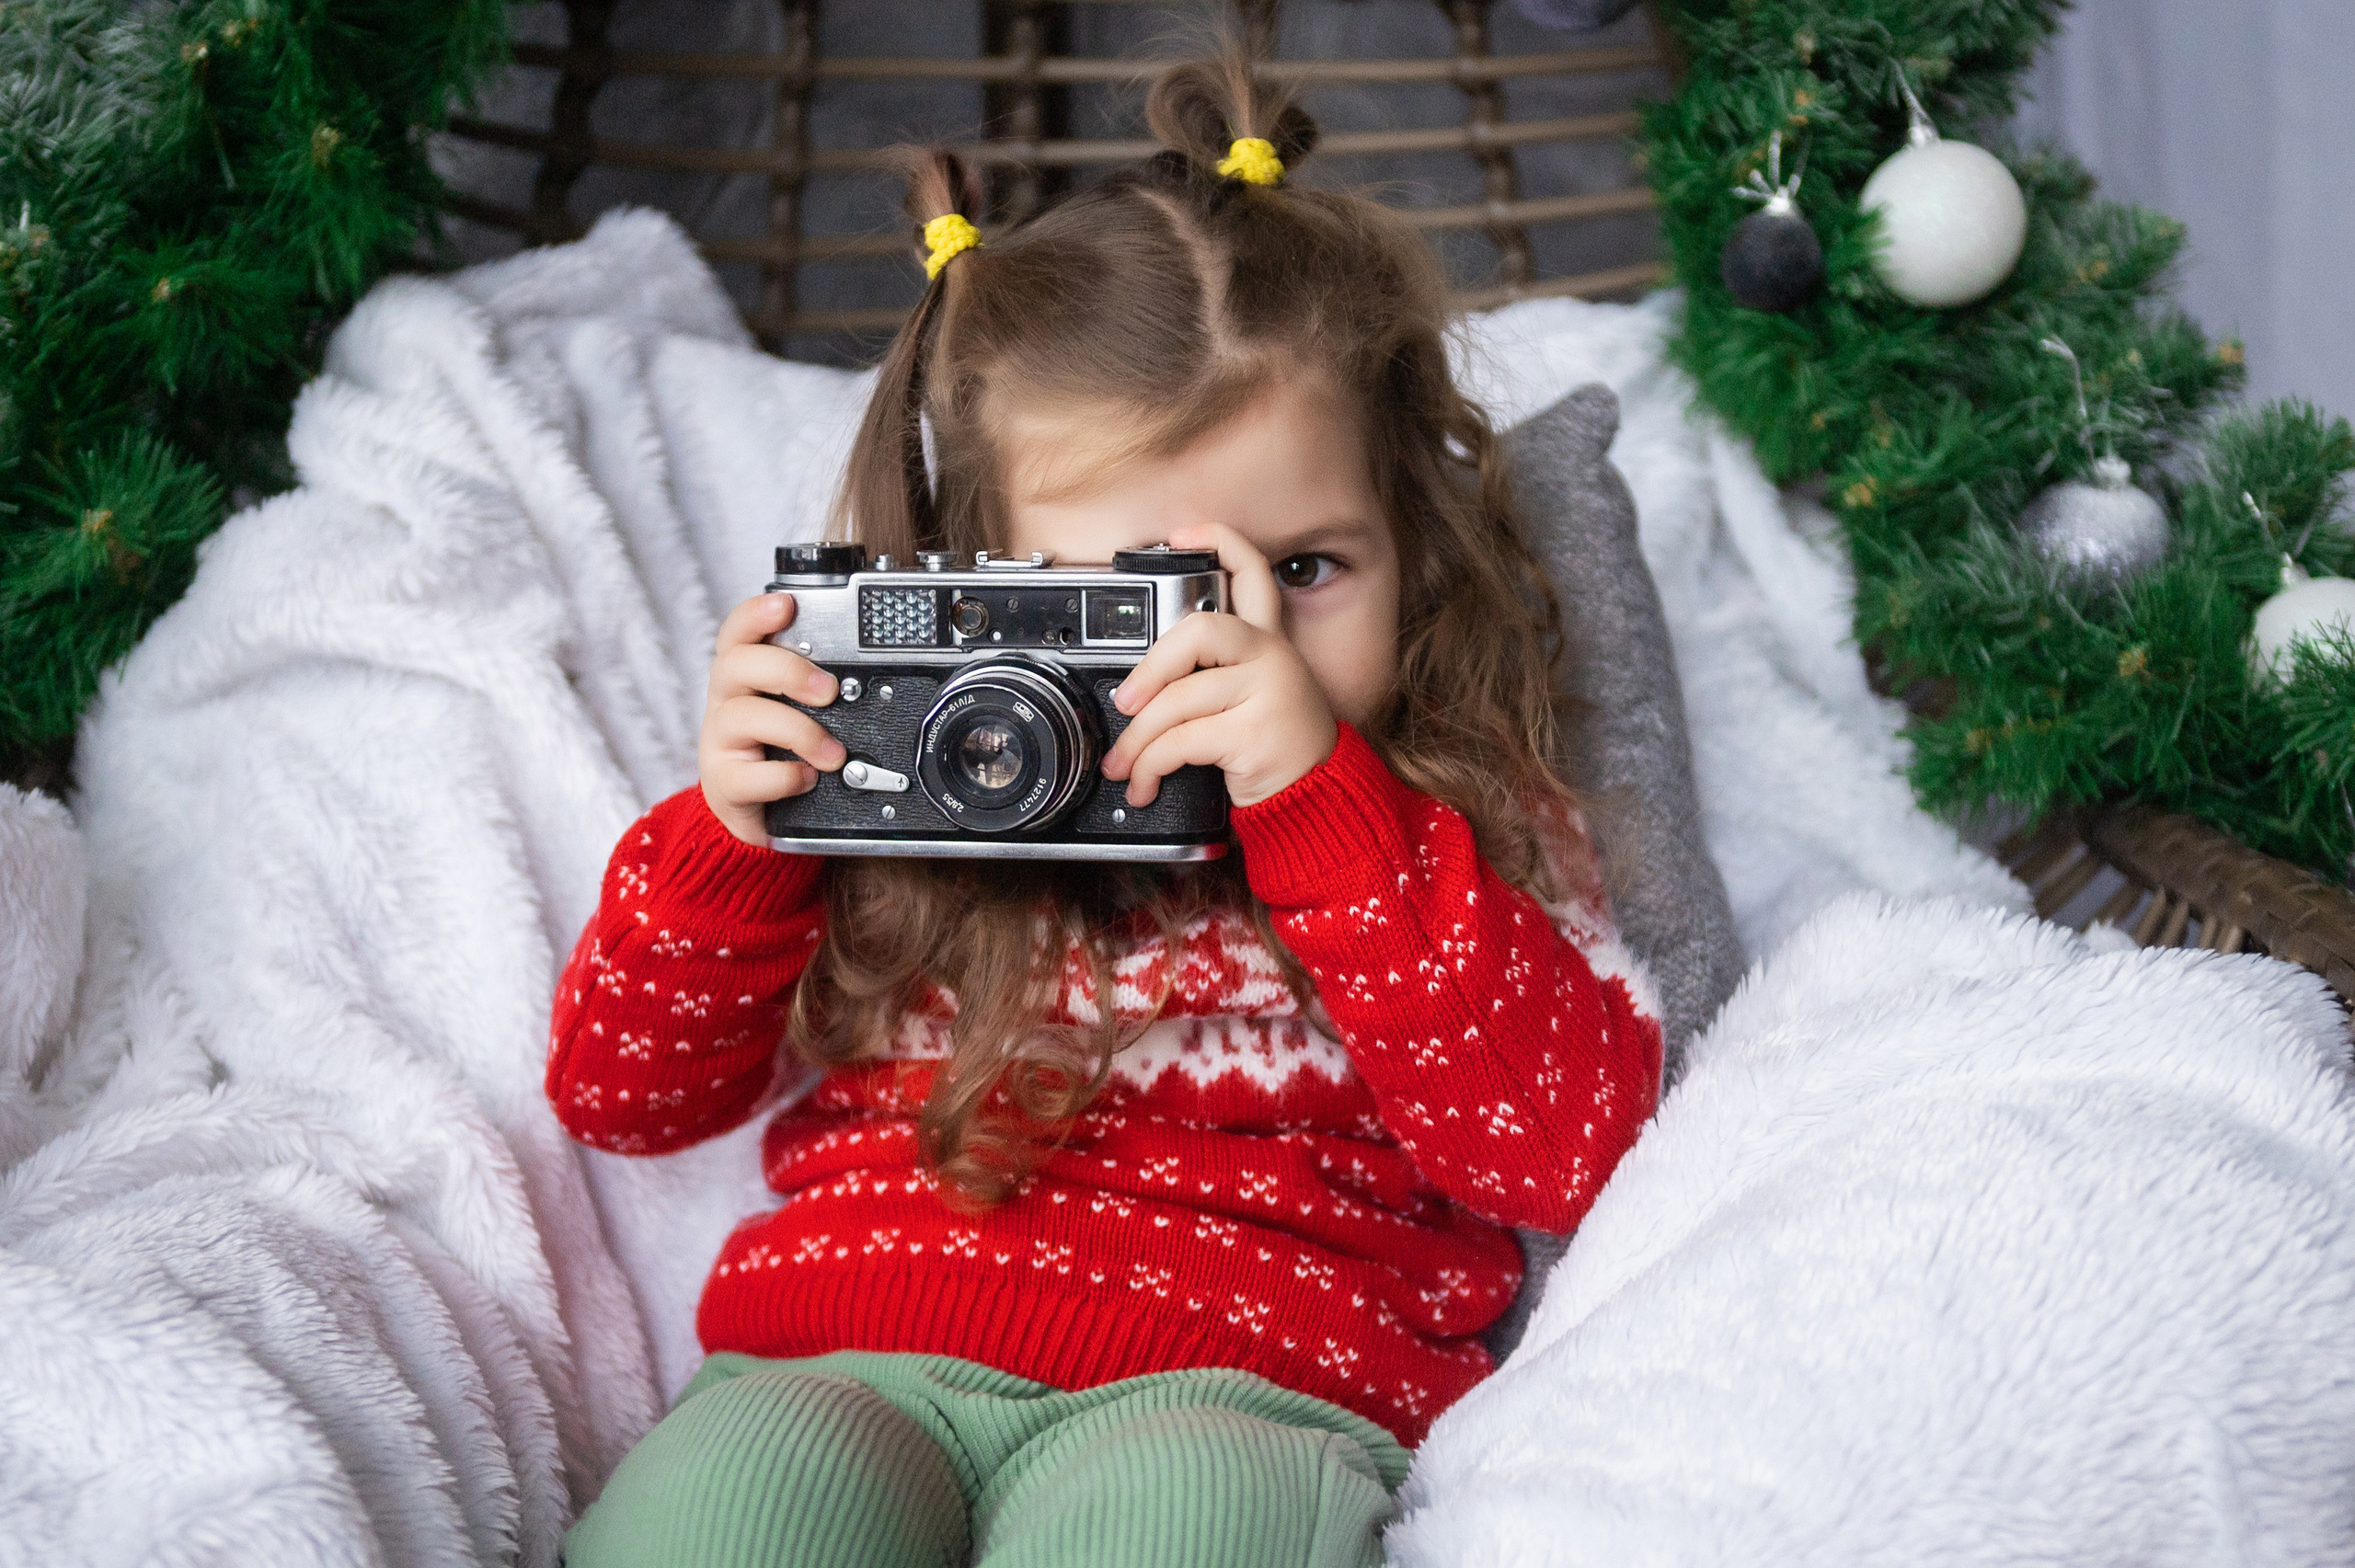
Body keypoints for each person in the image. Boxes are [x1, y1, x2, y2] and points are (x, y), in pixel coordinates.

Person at [548, 53, 1662, 1568]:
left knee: (1176, 1527)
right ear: (982, 587)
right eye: (1141, 594)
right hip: (837, 1360)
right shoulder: (890, 784)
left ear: (1415, 544)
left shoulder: (1448, 812)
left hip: (1245, 1392)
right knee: (730, 1513)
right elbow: (623, 1097)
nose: (1239, 636)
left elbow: (1570, 1149)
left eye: (1311, 569)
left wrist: (1325, 808)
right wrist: (732, 842)